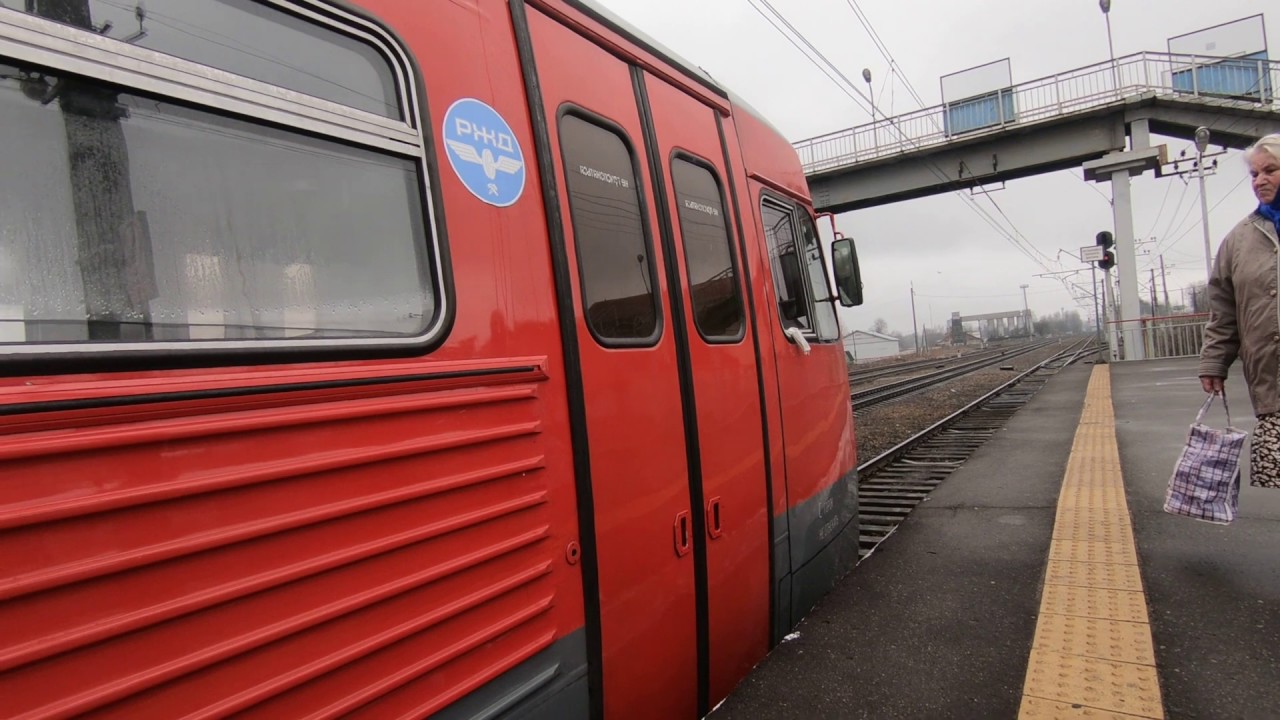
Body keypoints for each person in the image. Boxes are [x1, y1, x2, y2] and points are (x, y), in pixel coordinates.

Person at [1199, 132, 1280, 489]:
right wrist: (1215, 361)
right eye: (1254, 174)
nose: (1260, 180)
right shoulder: (1239, 240)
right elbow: (1224, 308)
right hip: (1272, 381)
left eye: (1270, 171)